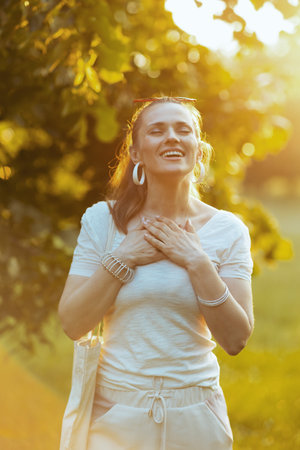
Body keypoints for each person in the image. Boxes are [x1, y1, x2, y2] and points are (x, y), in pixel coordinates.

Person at [58, 96, 254, 450]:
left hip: (197, 419)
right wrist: (123, 257)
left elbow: (236, 339)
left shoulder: (228, 230)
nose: (172, 138)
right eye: (157, 130)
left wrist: (196, 261)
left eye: (184, 130)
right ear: (135, 153)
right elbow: (73, 323)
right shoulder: (102, 221)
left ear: (199, 150)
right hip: (115, 417)